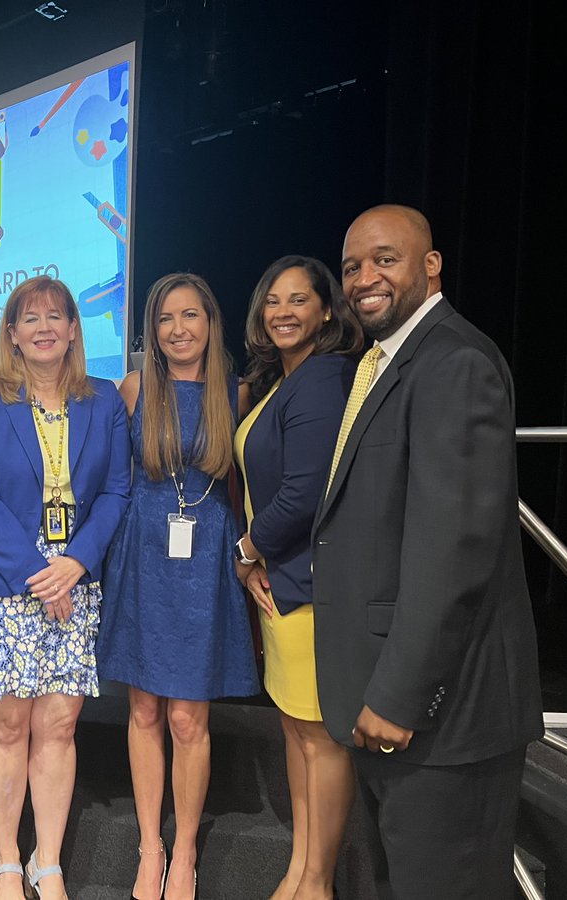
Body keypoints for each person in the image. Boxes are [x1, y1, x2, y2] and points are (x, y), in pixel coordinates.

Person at [312, 205, 543, 899]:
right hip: (391, 714)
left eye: (385, 259)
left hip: (438, 718)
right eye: (352, 266)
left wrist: (400, 696)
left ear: (431, 265)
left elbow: (455, 551)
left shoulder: (455, 361)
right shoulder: (383, 363)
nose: (364, 278)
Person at [0, 275, 130, 900]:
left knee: (58, 728)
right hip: (5, 585)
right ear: (12, 334)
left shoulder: (103, 399)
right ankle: (6, 860)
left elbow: (116, 492)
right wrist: (41, 571)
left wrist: (76, 562)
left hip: (75, 585)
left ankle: (45, 861)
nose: (45, 326)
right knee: (6, 728)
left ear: (76, 330)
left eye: (57, 316)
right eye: (31, 318)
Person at [98, 273, 260, 900]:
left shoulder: (236, 392)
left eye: (190, 315)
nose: (177, 329)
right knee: (142, 710)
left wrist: (248, 558)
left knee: (189, 718)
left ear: (211, 322)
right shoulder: (135, 388)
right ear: (151, 331)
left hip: (207, 559)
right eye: (164, 318)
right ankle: (150, 846)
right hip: (143, 556)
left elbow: (245, 489)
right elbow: (112, 483)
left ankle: (185, 849)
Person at [233, 256, 362, 900]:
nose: (283, 312)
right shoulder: (282, 379)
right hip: (278, 583)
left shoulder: (323, 378)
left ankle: (317, 881)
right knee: (294, 727)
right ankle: (299, 868)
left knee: (319, 735)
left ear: (327, 311)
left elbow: (306, 493)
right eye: (272, 301)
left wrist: (249, 550)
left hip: (307, 583)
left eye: (299, 301)